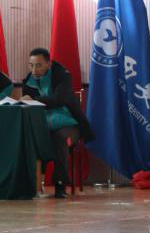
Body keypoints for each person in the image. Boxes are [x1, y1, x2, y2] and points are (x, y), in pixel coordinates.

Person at [19, 47, 95, 199]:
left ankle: (60, 184)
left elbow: (60, 99)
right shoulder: (29, 80)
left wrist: (35, 100)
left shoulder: (62, 75)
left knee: (59, 138)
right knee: (28, 137)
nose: (34, 70)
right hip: (44, 123)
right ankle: (31, 183)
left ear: (49, 64)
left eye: (38, 65)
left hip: (69, 123)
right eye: (31, 65)